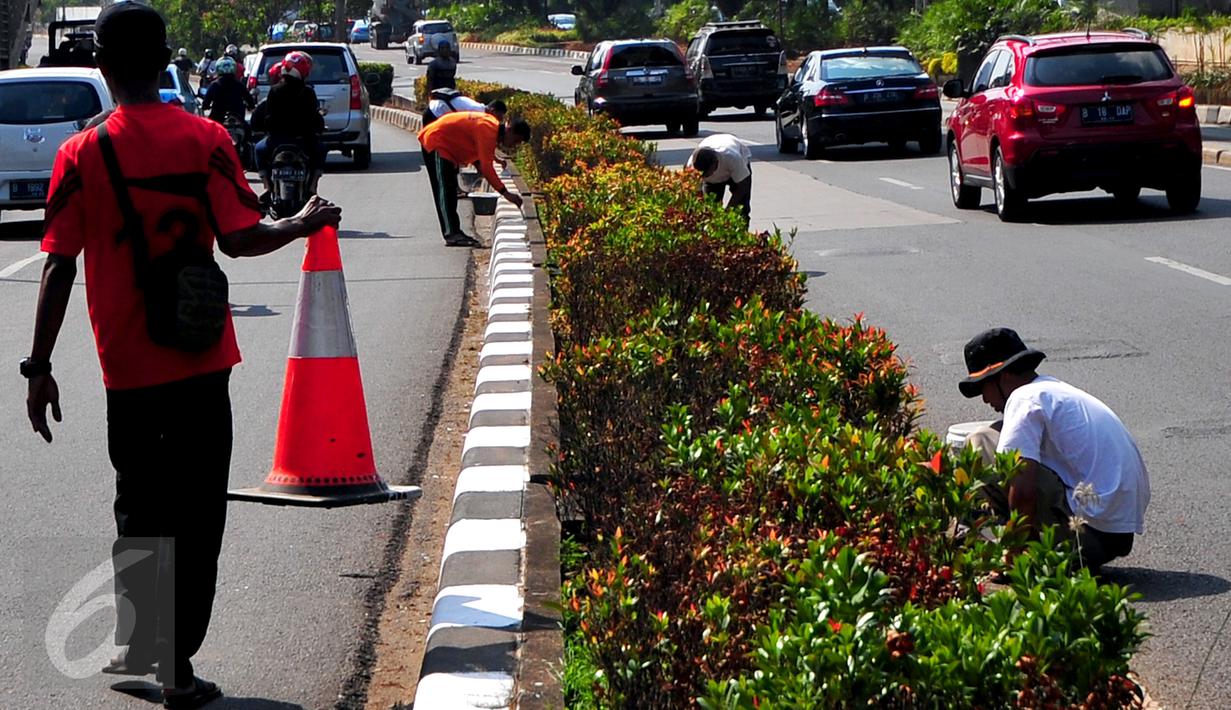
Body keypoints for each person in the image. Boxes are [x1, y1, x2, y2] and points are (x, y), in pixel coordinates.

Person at [23, 4, 341, 707]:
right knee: (198, 513)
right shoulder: (206, 139)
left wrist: (38, 367)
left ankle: (150, 651)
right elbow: (240, 238)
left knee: (140, 507)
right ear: (162, 57)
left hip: (126, 370)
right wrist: (302, 223)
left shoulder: (79, 153)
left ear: (103, 67)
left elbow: (57, 264)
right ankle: (178, 667)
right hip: (200, 362)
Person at [958, 328, 1150, 571]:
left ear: (1003, 377)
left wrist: (1017, 557)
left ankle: (994, 545)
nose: (984, 399)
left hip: (1083, 535)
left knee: (981, 442)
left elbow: (1024, 489)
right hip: (1116, 536)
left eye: (983, 387)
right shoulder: (1051, 391)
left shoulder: (1023, 398)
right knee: (998, 432)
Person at [418, 111, 529, 247]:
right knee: (445, 190)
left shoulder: (491, 126)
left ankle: (455, 231)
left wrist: (494, 159)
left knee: (451, 191)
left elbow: (481, 148)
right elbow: (487, 168)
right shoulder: (488, 129)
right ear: (509, 130)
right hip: (438, 142)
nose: (514, 145)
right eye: (516, 140)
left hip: (449, 146)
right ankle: (452, 234)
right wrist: (506, 194)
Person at [254, 51, 325, 196]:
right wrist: (319, 128)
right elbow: (314, 118)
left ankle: (267, 186)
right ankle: (313, 186)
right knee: (321, 150)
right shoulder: (308, 93)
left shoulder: (274, 91)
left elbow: (267, 118)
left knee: (258, 150)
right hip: (303, 141)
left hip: (276, 140)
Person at [686, 133, 752, 226]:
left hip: (737, 171)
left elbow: (743, 186)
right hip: (713, 181)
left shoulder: (732, 158)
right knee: (711, 210)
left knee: (741, 210)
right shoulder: (691, 167)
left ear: (715, 163)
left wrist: (728, 210)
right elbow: (697, 194)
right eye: (701, 175)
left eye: (706, 174)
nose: (704, 176)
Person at [201, 57, 254, 123]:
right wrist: (251, 105)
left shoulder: (214, 85)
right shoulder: (239, 85)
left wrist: (205, 106)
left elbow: (206, 103)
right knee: (248, 130)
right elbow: (250, 100)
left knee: (209, 129)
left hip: (220, 117)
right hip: (236, 117)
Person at [422, 86, 505, 127]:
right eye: (499, 117)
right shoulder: (477, 113)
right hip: (435, 112)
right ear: (493, 111)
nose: (498, 121)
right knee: (430, 146)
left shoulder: (479, 110)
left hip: (439, 110)